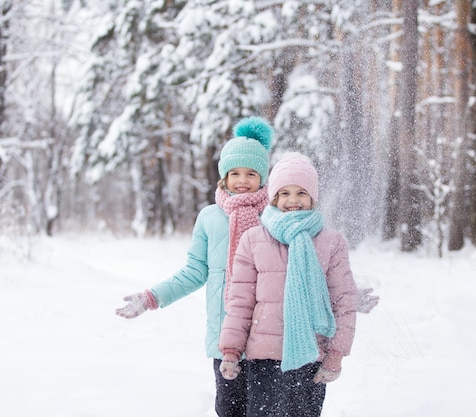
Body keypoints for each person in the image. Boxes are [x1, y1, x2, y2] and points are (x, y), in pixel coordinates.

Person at [115, 116, 275, 417]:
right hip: (223, 334)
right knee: (229, 409)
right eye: (235, 172)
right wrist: (152, 297)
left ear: (263, 177)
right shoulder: (210, 217)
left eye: (251, 173)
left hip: (267, 336)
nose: (242, 180)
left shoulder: (273, 217)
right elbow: (194, 271)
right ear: (223, 177)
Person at [218, 152, 358, 417]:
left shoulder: (331, 242)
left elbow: (345, 301)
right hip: (264, 360)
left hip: (311, 358)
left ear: (313, 197)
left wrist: (337, 353)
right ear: (273, 197)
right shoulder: (253, 239)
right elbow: (240, 303)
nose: (293, 200)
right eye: (284, 193)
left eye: (301, 193)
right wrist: (231, 349)